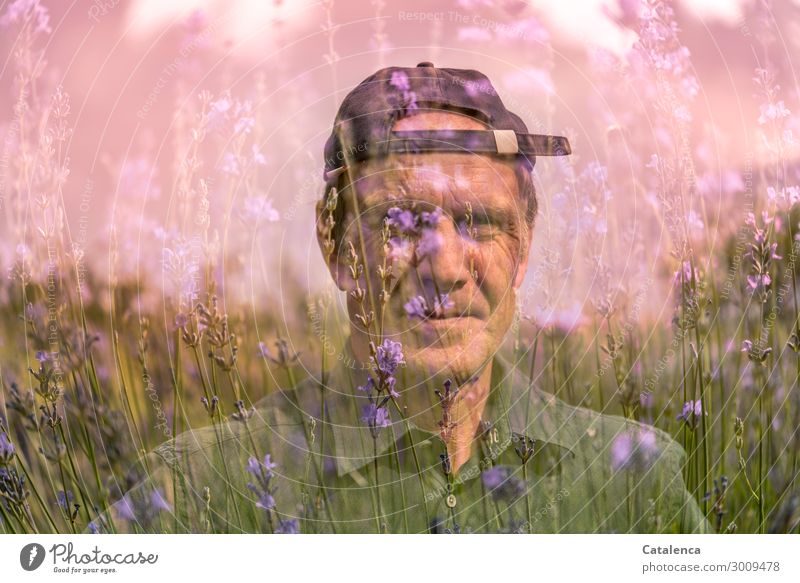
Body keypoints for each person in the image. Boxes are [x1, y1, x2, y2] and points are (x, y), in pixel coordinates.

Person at [93, 62, 708, 534]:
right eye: (400, 221)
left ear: (521, 251)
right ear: (333, 246)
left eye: (479, 221)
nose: (442, 267)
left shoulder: (632, 479)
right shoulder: (205, 485)